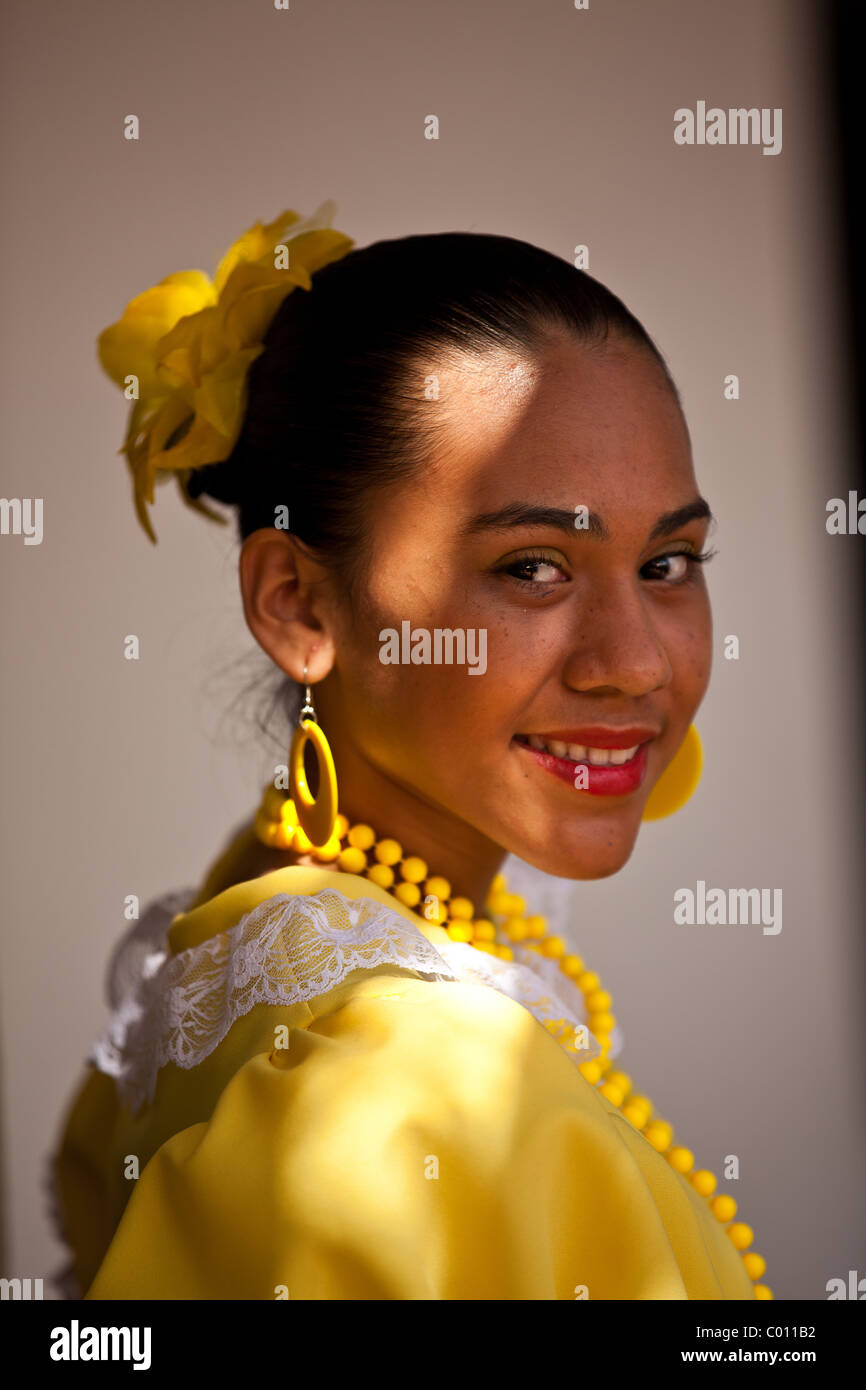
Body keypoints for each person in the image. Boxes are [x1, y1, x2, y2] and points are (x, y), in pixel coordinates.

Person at [49, 201, 770, 1300]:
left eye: (669, 560)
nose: (634, 663)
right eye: (531, 566)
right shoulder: (408, 1083)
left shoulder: (254, 919)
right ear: (296, 603)